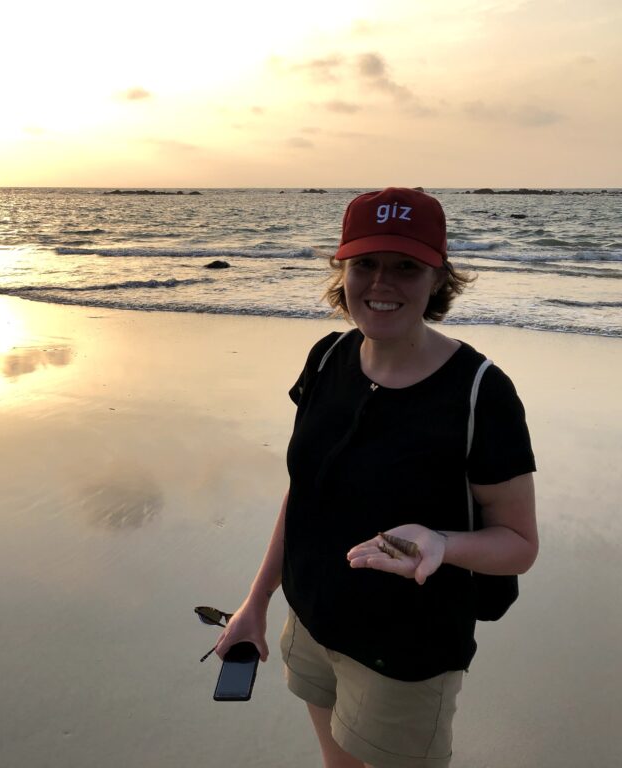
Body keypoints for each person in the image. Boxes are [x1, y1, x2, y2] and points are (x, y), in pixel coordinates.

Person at [213, 188, 538, 768]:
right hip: (312, 623)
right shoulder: (326, 358)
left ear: (439, 277)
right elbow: (305, 491)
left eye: (406, 267)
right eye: (365, 264)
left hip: (407, 654)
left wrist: (443, 542)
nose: (381, 285)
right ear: (342, 269)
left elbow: (518, 546)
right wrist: (256, 600)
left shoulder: (480, 392)